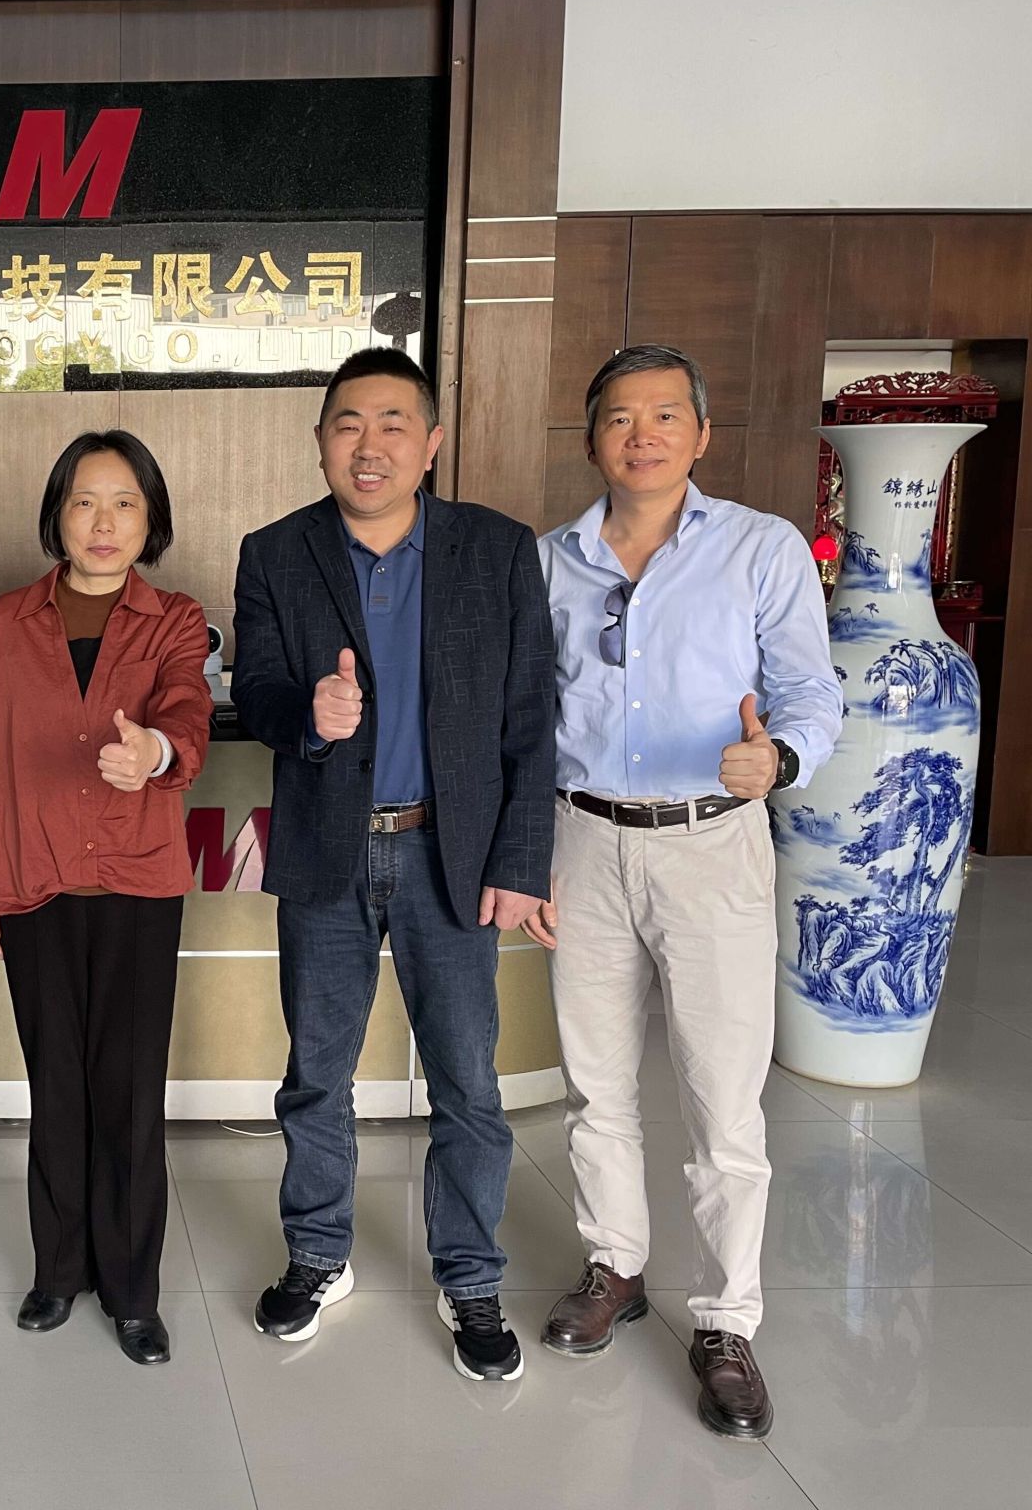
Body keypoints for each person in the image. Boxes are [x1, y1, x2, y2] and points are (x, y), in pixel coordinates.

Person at [524, 344, 840, 1439]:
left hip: (711, 843)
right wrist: (525, 856)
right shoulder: (549, 562)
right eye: (620, 417)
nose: (642, 434)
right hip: (581, 839)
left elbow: (809, 692)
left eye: (665, 415)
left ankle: (725, 1320)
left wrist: (779, 759)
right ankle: (613, 1266)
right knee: (595, 1083)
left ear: (700, 435)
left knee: (720, 1098)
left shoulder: (760, 548)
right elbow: (528, 720)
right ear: (591, 440)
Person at [232, 347, 555, 1381]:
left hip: (447, 854)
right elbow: (257, 689)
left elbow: (529, 716)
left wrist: (521, 859)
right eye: (346, 425)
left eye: (390, 424)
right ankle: (317, 1254)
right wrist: (310, 715)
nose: (366, 446)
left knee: (467, 1082)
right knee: (315, 1075)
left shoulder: (495, 549)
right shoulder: (274, 552)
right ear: (320, 441)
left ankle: (469, 1275)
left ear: (430, 442)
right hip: (326, 852)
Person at [0, 431, 213, 1366]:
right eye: (85, 501)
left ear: (151, 519)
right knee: (56, 1080)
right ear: (57, 514)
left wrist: (156, 753)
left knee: (130, 1090)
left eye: (125, 502)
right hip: (35, 878)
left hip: (139, 878)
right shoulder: (4, 621)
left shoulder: (175, 619)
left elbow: (186, 709)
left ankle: (133, 1291)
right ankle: (58, 1269)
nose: (104, 522)